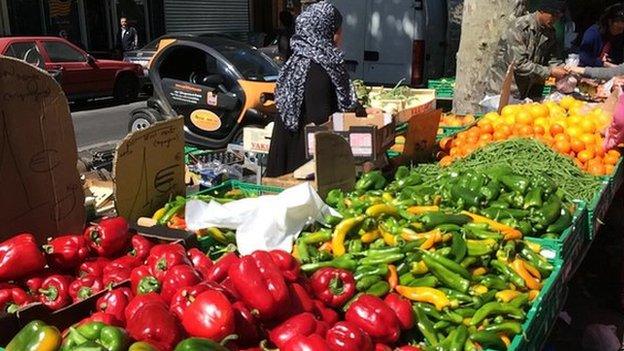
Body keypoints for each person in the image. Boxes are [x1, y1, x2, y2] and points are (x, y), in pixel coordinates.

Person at [266, 1, 362, 177]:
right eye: (339, 30)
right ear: (329, 32)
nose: (340, 36)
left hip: (288, 153)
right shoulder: (320, 66)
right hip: (304, 165)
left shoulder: (296, 61)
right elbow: (320, 119)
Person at [485, 0, 568, 101]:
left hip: (525, 92)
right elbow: (518, 64)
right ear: (542, 10)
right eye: (553, 15)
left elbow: (552, 60)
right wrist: (550, 71)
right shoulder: (519, 28)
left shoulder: (549, 32)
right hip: (502, 92)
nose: (555, 19)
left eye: (559, 16)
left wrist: (563, 70)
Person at [578, 4, 624, 68]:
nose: (621, 31)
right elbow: (584, 57)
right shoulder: (593, 32)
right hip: (589, 70)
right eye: (619, 28)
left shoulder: (620, 36)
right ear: (610, 22)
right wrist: (603, 64)